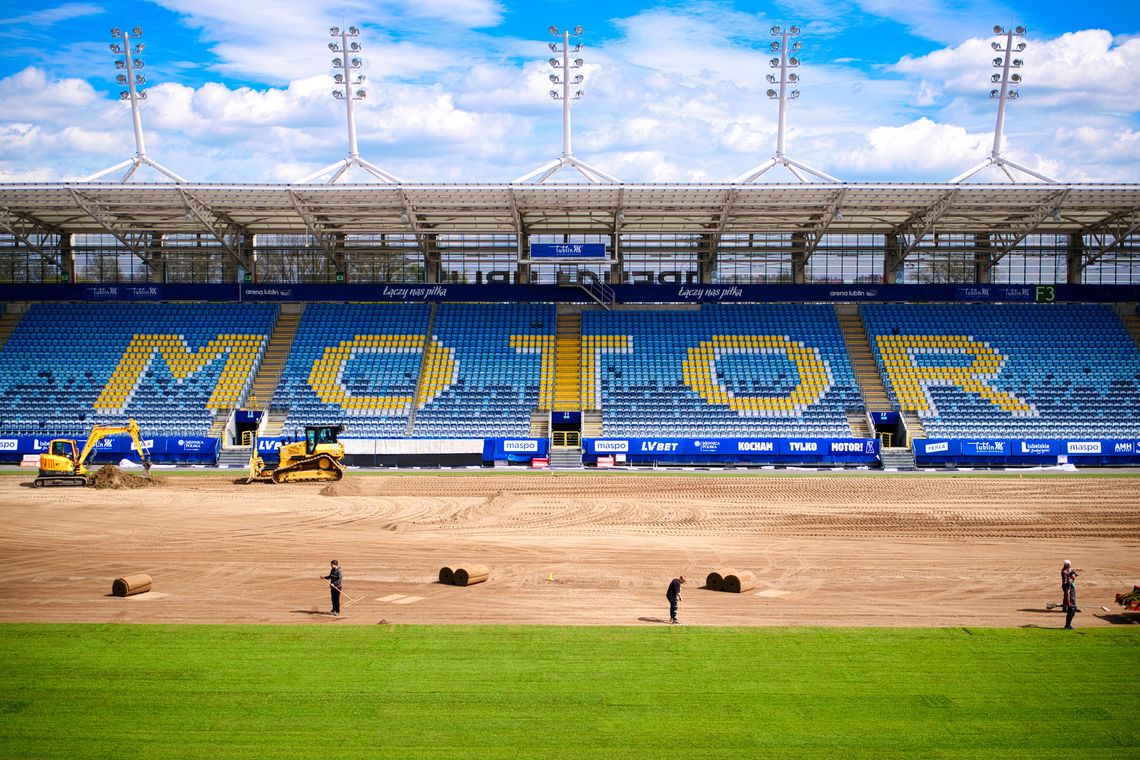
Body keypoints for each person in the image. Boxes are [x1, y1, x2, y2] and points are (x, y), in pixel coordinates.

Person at [1061, 560, 1079, 630]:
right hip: (1070, 597)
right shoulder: (1068, 582)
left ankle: (1068, 625)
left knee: (1072, 611)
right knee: (1071, 611)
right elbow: (1067, 591)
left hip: (1071, 596)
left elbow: (1075, 574)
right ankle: (1067, 625)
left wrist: (1073, 574)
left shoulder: (1069, 571)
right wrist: (1068, 602)